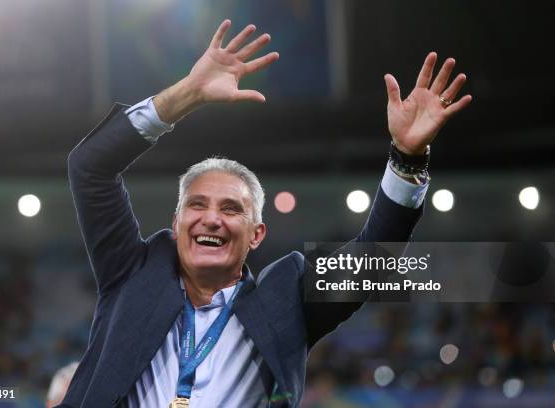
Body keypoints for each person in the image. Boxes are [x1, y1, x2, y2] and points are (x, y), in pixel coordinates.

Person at [59, 19, 471, 408]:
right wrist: (188, 94)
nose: (211, 218)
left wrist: (408, 158)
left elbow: (373, 258)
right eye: (197, 205)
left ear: (256, 235)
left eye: (231, 209)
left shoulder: (286, 299)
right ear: (176, 223)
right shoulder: (131, 274)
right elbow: (90, 167)